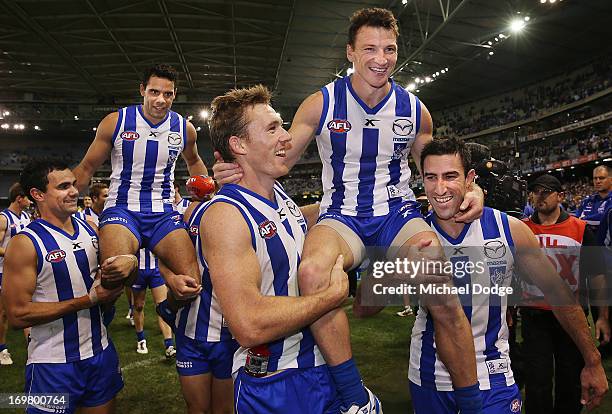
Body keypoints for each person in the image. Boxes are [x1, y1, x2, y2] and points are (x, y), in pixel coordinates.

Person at [213, 8, 485, 412]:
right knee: (313, 272)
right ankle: (355, 397)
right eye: (370, 48)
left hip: (396, 215)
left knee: (439, 281)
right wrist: (233, 165)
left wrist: (471, 187)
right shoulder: (320, 104)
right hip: (342, 216)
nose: (381, 58)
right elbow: (280, 159)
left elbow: (437, 168)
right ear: (350, 53)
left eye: (389, 49)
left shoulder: (414, 110)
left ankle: (471, 404)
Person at [355, 137, 608, 413]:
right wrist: (397, 267)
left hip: (493, 376)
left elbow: (559, 294)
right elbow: (363, 308)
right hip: (430, 377)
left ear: (470, 179)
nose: (440, 188)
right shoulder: (408, 233)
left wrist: (592, 360)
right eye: (431, 177)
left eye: (450, 176)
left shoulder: (508, 230)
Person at [202, 84, 383, 413]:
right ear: (238, 144)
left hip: (321, 369)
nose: (286, 137)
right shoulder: (225, 216)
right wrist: (327, 299)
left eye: (282, 125)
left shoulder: (279, 196)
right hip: (276, 384)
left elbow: (306, 217)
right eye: (272, 129)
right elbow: (248, 324)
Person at [2, 159, 132, 414]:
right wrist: (87, 300)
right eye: (63, 187)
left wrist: (129, 264)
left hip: (100, 354)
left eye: (73, 184)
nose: (74, 191)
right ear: (37, 195)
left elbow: (108, 286)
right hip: (53, 365)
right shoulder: (25, 244)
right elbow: (18, 315)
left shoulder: (93, 230)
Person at [73, 64, 207, 303]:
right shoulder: (116, 122)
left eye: (168, 94)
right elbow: (86, 168)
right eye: (154, 92)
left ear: (174, 95)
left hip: (164, 213)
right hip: (122, 210)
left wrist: (203, 194)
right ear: (143, 90)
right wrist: (64, 202)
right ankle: (108, 309)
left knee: (192, 283)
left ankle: (169, 310)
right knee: (113, 273)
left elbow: (195, 161)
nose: (161, 100)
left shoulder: (184, 128)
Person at [521, 174, 610, 413]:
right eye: (535, 191)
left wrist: (602, 316)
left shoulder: (579, 229)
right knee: (537, 382)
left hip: (571, 318)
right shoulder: (522, 229)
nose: (538, 196)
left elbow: (598, 276)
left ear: (560, 196)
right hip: (534, 316)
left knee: (569, 381)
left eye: (545, 191)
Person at [0, 182, 32, 365]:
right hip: (3, 271)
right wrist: (15, 255)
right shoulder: (3, 218)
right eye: (27, 196)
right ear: (19, 199)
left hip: (22, 271)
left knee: (27, 308)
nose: (30, 200)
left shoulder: (27, 216)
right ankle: (2, 349)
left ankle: (31, 345)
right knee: (3, 312)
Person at [131, 246, 176, 358]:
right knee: (138, 306)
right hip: (138, 270)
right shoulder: (134, 227)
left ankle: (169, 345)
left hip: (156, 269)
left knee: (162, 307)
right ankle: (141, 339)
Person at [575, 165, 611, 233]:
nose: (597, 181)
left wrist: (582, 219)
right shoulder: (586, 201)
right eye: (595, 178)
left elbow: (605, 219)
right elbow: (575, 220)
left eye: (601, 178)